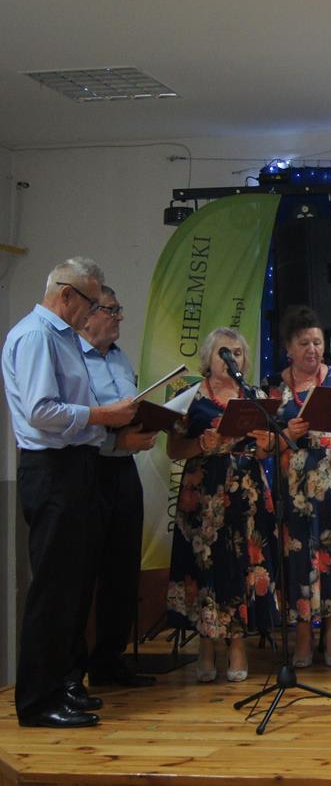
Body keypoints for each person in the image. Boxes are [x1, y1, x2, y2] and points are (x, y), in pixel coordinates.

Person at [3, 258, 138, 728]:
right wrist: (104, 417)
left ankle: (62, 685)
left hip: (76, 467)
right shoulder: (37, 336)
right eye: (92, 303)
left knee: (73, 588)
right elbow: (42, 411)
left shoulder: (63, 338)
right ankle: (37, 701)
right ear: (67, 295)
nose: (94, 312)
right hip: (52, 469)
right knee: (53, 590)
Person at [165, 328, 279, 683]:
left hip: (247, 491)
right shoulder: (190, 397)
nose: (231, 359)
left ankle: (237, 645)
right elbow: (174, 450)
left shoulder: (255, 396)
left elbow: (266, 451)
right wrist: (201, 445)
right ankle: (205, 644)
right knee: (205, 564)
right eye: (223, 352)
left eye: (237, 353)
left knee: (242, 563)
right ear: (208, 358)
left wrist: (266, 444)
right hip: (204, 492)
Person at [267, 305, 331, 669]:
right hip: (296, 486)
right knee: (299, 557)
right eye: (304, 343)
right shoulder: (273, 387)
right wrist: (286, 433)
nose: (312, 349)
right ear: (288, 348)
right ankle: (303, 637)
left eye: (317, 342)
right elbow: (262, 444)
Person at [77, 285, 159, 689]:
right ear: (89, 315)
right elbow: (76, 421)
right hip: (87, 469)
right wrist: (116, 440)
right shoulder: (73, 359)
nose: (119, 317)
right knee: (82, 570)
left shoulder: (121, 358)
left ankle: (110, 659)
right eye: (112, 310)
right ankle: (72, 670)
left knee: (123, 567)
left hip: (124, 470)